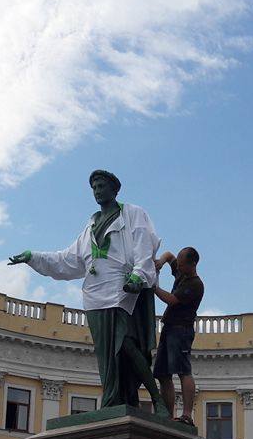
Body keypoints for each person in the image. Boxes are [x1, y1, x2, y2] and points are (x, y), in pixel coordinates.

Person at [10, 170, 168, 414]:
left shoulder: (133, 214)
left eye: (101, 186)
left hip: (123, 292)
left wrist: (138, 275)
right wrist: (33, 257)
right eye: (94, 187)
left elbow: (143, 247)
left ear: (115, 190)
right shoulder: (90, 226)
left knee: (125, 344)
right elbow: (67, 261)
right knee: (107, 357)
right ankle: (114, 400)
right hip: (95, 297)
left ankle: (157, 399)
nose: (97, 191)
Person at [152, 247, 203, 425]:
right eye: (178, 264)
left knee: (183, 371)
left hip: (181, 331)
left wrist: (154, 287)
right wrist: (161, 261)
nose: (178, 267)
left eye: (181, 265)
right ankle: (168, 415)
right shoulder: (182, 272)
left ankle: (187, 415)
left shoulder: (195, 284)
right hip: (169, 328)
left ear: (192, 264)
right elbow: (169, 255)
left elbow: (172, 300)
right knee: (162, 373)